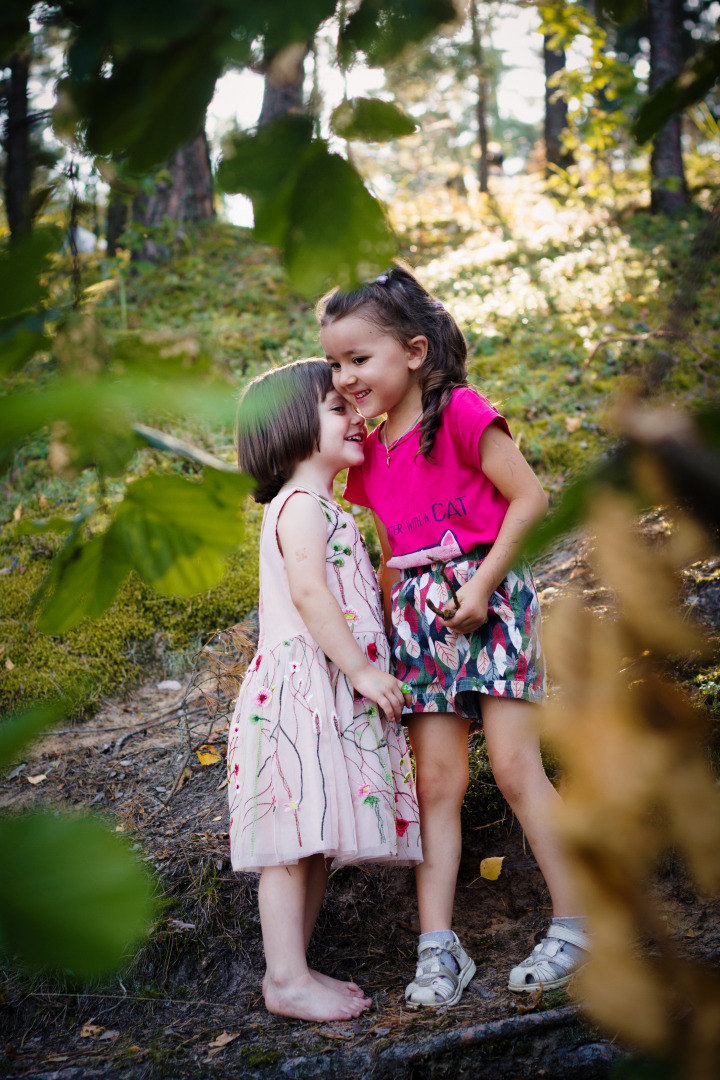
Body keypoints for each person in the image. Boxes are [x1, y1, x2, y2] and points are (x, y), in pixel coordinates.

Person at [317, 265, 589, 1009]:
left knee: (512, 767)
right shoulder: (367, 457)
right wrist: (376, 644)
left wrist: (481, 585)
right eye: (335, 364)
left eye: (358, 359)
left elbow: (530, 496)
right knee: (434, 784)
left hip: (490, 597)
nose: (345, 376)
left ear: (411, 350)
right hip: (417, 619)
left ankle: (577, 922)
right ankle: (437, 948)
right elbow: (384, 555)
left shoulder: (463, 412)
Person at [228, 358, 422, 1023]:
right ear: (291, 427)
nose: (357, 418)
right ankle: (283, 977)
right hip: (299, 692)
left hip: (322, 690)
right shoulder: (301, 506)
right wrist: (363, 671)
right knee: (289, 843)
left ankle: (296, 970)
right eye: (339, 408)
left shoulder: (324, 507)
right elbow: (311, 594)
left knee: (308, 837)